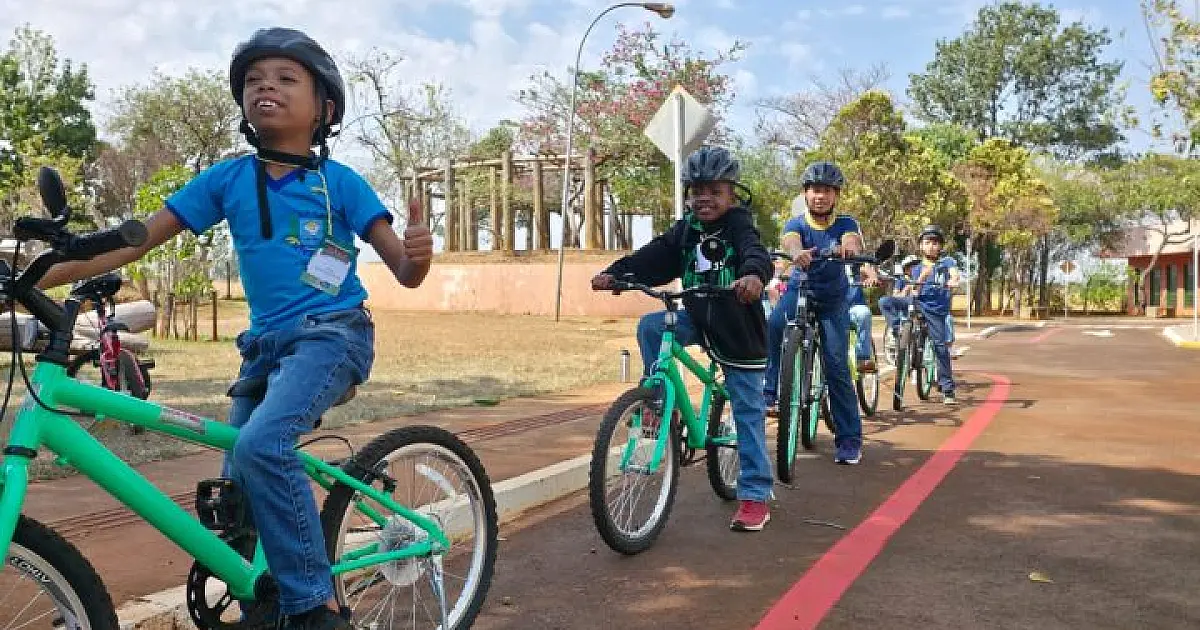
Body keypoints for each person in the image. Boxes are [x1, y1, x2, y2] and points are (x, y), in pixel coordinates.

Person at [38, 27, 433, 629]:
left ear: (324, 108)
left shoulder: (343, 185)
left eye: (284, 79)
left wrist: (418, 252)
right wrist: (39, 276)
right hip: (266, 349)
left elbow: (405, 273)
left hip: (334, 332)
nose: (265, 88)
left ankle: (314, 605)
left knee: (261, 444)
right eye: (253, 81)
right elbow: (136, 240)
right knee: (237, 484)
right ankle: (262, 603)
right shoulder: (227, 180)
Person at [591, 146, 775, 532]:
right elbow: (654, 256)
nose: (703, 198)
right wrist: (617, 273)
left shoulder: (739, 224)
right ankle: (658, 404)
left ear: (732, 193)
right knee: (652, 325)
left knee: (747, 411)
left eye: (713, 190)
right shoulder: (686, 230)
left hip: (738, 329)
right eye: (695, 190)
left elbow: (753, 252)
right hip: (696, 315)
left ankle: (755, 495)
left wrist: (754, 276)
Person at [764, 161, 867, 465]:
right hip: (800, 290)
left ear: (835, 195)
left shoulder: (846, 223)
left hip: (832, 299)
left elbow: (852, 239)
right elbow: (790, 241)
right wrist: (796, 254)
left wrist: (847, 249)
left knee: (836, 366)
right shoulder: (796, 223)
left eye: (826, 191)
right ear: (805, 194)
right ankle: (770, 389)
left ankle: (849, 440)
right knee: (773, 324)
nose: (819, 196)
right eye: (814, 190)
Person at [880, 226, 960, 404]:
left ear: (940, 246)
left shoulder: (946, 263)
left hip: (936, 310)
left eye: (935, 243)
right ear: (921, 245)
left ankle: (947, 389)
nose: (932, 246)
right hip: (917, 303)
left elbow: (955, 277)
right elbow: (914, 290)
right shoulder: (916, 267)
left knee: (940, 346)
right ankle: (897, 331)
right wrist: (921, 278)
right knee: (885, 302)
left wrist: (952, 281)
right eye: (927, 242)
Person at [846, 263, 881, 373]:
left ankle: (863, 358)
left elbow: (865, 268)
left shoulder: (854, 262)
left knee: (863, 313)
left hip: (853, 309)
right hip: (830, 308)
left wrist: (872, 277)